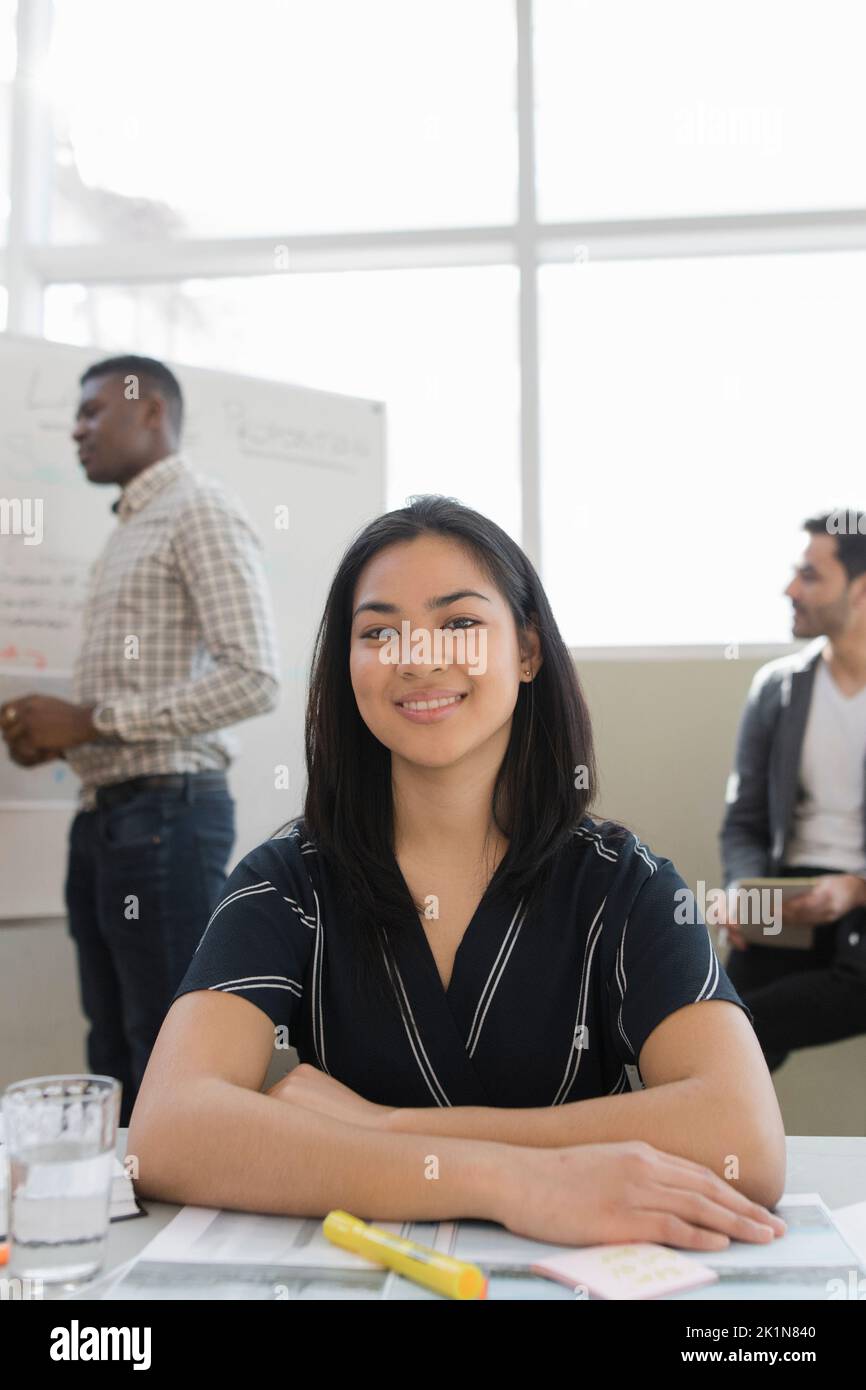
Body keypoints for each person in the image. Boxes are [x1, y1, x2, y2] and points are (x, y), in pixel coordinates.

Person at [127, 496, 785, 1250]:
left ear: (528, 652)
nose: (416, 657)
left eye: (460, 624)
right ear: (347, 667)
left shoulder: (623, 885)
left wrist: (387, 1128)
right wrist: (507, 1180)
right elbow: (169, 1129)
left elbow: (745, 1140)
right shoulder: (286, 883)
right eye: (378, 631)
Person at [0, 355, 280, 1126]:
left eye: (92, 412)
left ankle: (189, 1230)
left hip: (164, 820)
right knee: (114, 1050)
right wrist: (63, 740)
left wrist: (90, 722)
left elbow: (254, 677)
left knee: (168, 1052)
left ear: (149, 410)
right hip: (110, 816)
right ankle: (126, 1226)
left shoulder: (199, 510)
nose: (76, 429)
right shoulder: (129, 528)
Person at [720, 511, 866, 1072]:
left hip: (859, 900)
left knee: (741, 1027)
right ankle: (720, 1150)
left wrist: (855, 888)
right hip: (791, 895)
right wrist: (741, 892)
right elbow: (744, 820)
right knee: (715, 1019)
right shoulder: (778, 690)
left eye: (810, 575)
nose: (790, 590)